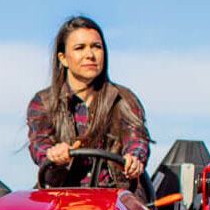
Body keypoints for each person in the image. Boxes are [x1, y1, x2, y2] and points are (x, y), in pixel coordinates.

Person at [26, 15, 152, 189]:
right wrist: (53, 154)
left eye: (96, 47)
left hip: (114, 200)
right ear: (63, 58)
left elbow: (136, 139)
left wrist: (134, 158)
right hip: (62, 199)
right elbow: (39, 143)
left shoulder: (123, 99)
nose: (90, 55)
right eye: (80, 48)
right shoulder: (43, 102)